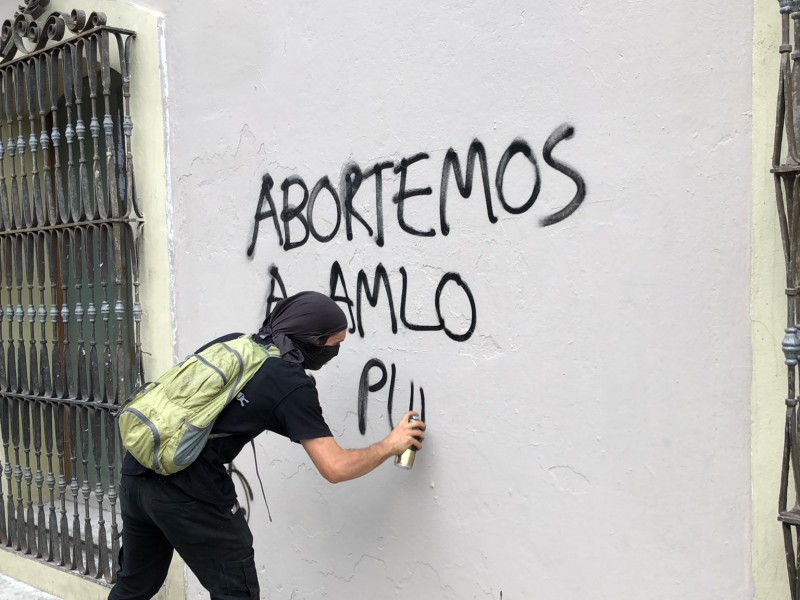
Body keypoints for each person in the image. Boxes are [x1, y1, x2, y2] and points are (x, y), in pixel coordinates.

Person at [108, 291, 426, 600]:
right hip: (190, 487)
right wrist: (390, 444)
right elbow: (335, 467)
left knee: (134, 586)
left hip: (137, 469)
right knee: (235, 591)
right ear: (315, 342)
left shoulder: (236, 342)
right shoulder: (289, 380)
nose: (334, 353)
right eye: (334, 345)